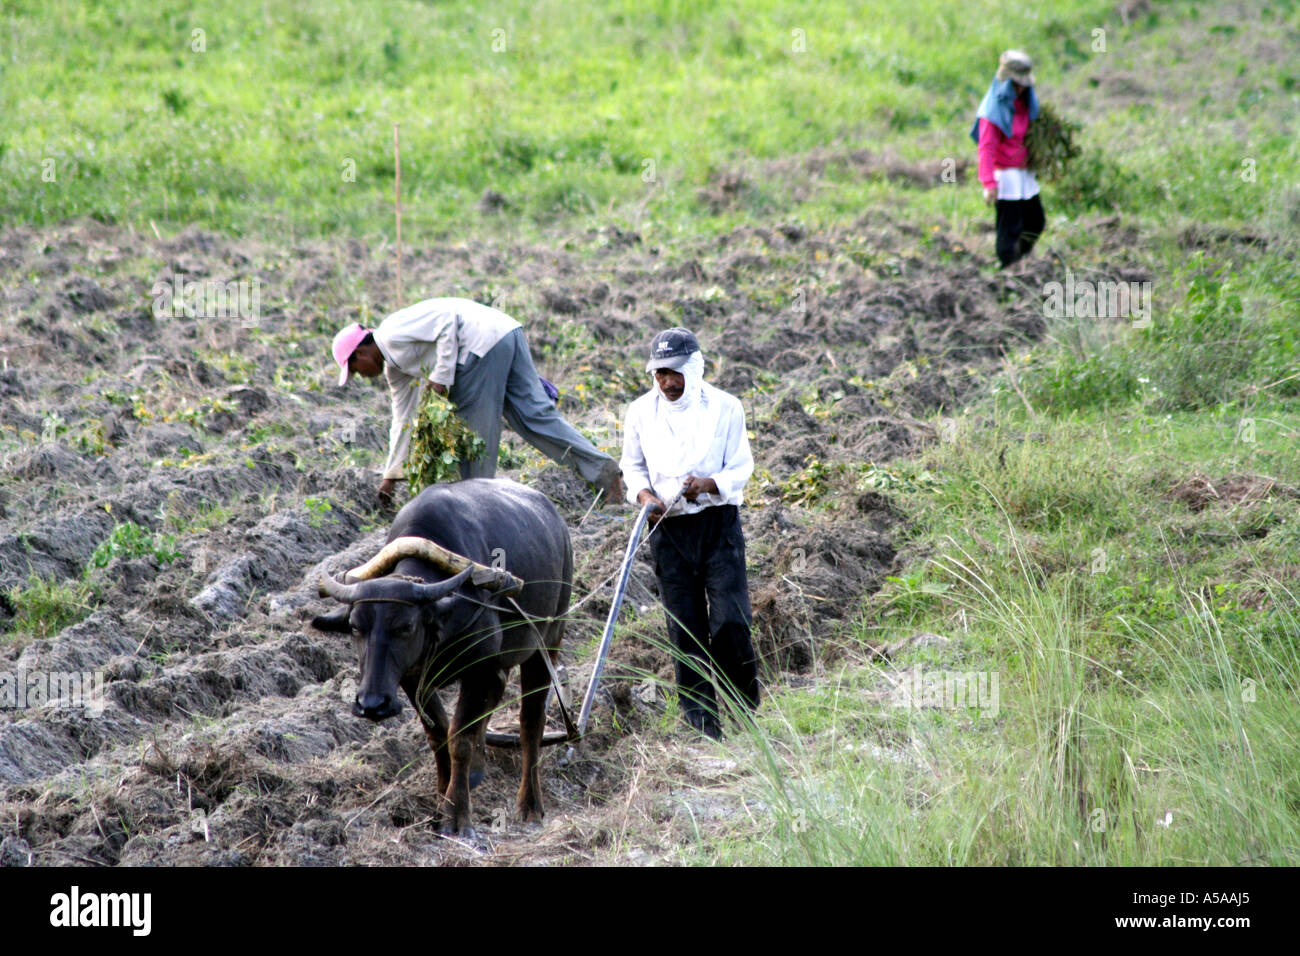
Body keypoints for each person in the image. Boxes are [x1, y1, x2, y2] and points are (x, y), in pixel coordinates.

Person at [332, 297, 623, 503]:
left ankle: (478, 506)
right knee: (534, 418)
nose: (359, 376)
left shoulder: (392, 331)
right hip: (506, 332)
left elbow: (448, 322)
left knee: (474, 439)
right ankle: (604, 472)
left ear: (360, 353)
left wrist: (442, 377)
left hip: (480, 346)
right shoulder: (395, 369)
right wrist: (391, 476)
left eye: (354, 369)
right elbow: (403, 419)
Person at [619, 328, 760, 740]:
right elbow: (632, 467)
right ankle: (702, 724)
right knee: (685, 628)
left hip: (718, 527)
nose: (667, 382)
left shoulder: (726, 408)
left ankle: (743, 709)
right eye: (660, 373)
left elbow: (741, 467)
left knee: (731, 621)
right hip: (667, 529)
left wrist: (710, 484)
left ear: (694, 369)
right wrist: (644, 495)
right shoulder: (641, 412)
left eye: (675, 372)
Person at [970, 49, 1044, 269]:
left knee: (1035, 222)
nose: (1020, 88)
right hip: (1006, 176)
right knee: (1010, 228)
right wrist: (988, 183)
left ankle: (1018, 261)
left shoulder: (1025, 103)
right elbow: (986, 148)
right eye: (1016, 84)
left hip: (1024, 173)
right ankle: (1008, 269)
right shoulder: (992, 112)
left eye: (1023, 84)